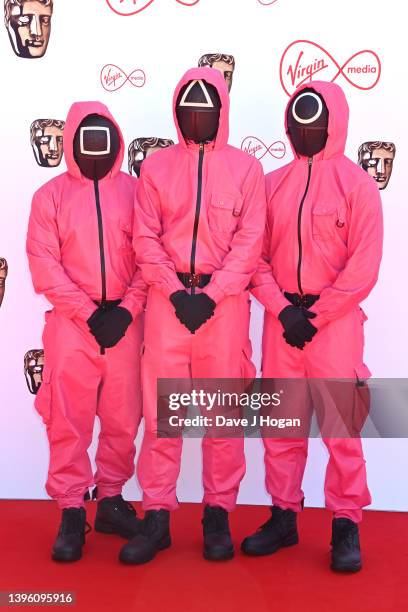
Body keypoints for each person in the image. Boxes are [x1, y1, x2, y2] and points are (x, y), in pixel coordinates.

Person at [120, 67, 266, 565]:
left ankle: (218, 514)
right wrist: (175, 291)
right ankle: (157, 516)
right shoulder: (156, 168)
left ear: (223, 112)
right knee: (163, 419)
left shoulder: (247, 170)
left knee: (222, 416)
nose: (197, 116)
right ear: (176, 113)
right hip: (167, 306)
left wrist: (214, 293)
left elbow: (250, 242)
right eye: (188, 108)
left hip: (223, 309)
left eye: (207, 108)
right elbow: (144, 237)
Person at [241, 81, 383, 573]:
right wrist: (283, 311)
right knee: (281, 427)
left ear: (335, 124)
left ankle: (346, 522)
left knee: (342, 430)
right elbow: (253, 257)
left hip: (335, 327)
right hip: (282, 325)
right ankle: (283, 515)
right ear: (287, 125)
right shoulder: (271, 184)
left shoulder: (358, 186)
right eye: (299, 120)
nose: (307, 128)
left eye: (316, 120)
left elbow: (362, 270)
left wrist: (315, 317)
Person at [26, 101, 146, 562]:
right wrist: (85, 311)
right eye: (86, 136)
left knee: (122, 418)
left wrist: (127, 309)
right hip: (72, 328)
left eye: (104, 136)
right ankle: (72, 509)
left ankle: (112, 499)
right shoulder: (49, 197)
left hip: (124, 326)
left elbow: (148, 257)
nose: (95, 144)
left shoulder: (137, 193)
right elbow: (43, 263)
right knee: (68, 421)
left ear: (117, 139)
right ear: (71, 141)